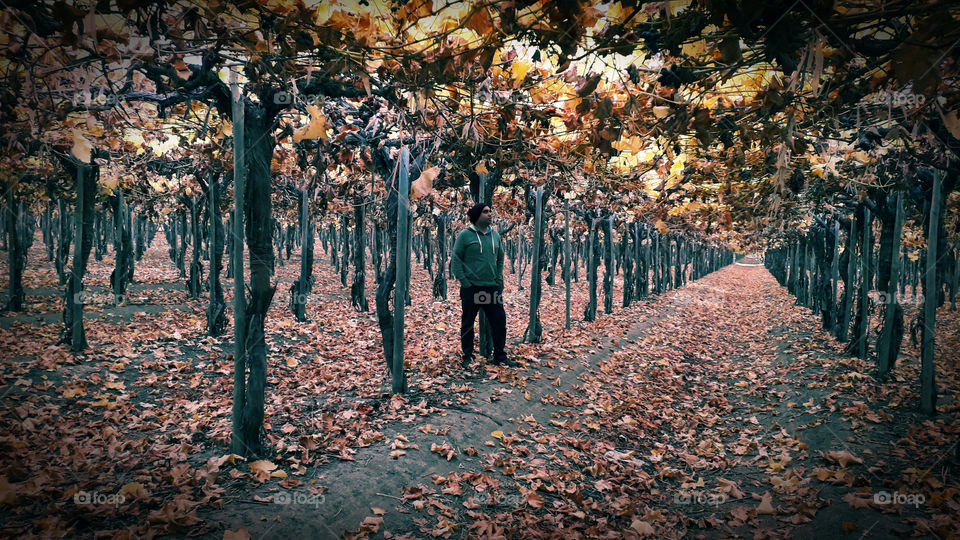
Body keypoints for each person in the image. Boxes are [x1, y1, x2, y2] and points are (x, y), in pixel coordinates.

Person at [451, 203, 517, 368]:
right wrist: (465, 282)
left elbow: (501, 257)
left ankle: (500, 355)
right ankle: (467, 356)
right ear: (476, 216)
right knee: (468, 323)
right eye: (485, 212)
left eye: (490, 211)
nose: (489, 214)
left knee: (499, 321)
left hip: (490, 287)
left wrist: (499, 278)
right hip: (472, 288)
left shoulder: (495, 235)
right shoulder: (465, 235)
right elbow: (455, 260)